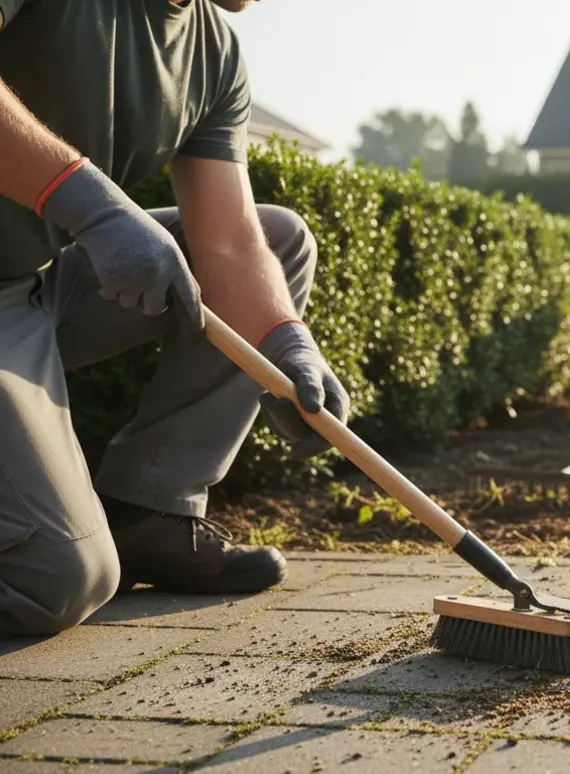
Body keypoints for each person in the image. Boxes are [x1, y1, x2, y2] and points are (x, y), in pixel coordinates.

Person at [0, 0, 351, 637]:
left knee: (280, 239)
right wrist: (91, 206)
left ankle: (146, 513)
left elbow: (229, 243)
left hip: (29, 283)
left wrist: (284, 344)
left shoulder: (214, 52)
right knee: (57, 581)